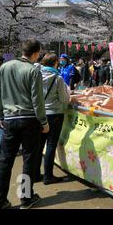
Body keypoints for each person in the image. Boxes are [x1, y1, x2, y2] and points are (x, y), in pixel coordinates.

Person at [0, 39, 49, 209]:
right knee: (29, 160)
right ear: (36, 53)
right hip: (29, 121)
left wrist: (1, 116)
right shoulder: (33, 70)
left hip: (9, 120)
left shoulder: (4, 67)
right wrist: (44, 122)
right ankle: (25, 198)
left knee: (5, 161)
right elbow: (37, 100)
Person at [35, 53, 71, 185]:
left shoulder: (36, 75)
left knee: (39, 145)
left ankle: (35, 174)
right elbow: (64, 99)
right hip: (55, 114)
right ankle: (48, 176)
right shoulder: (58, 78)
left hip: (39, 114)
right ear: (55, 62)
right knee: (51, 144)